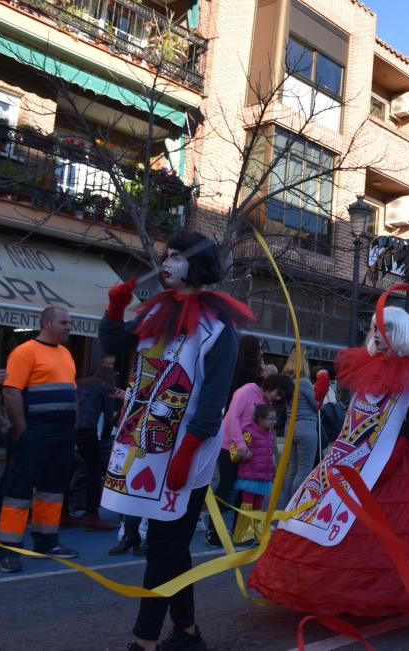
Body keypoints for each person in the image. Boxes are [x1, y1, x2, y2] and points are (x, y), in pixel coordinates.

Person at [248, 307, 409, 618]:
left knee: (393, 531)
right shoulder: (367, 370)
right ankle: (333, 590)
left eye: (385, 329)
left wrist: (393, 455)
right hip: (352, 457)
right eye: (375, 328)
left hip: (398, 463)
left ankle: (389, 595)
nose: (378, 335)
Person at [99, 232, 252, 651]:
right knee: (169, 547)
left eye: (178, 257)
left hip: (187, 455)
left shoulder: (217, 329)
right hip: (143, 445)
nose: (167, 262)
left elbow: (213, 400)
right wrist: (114, 309)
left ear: (197, 266)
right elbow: (114, 346)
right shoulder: (156, 314)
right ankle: (186, 632)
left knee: (164, 545)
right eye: (166, 256)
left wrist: (187, 451)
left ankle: (144, 640)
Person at [0, 306, 79, 573]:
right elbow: (11, 393)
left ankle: (46, 542)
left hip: (62, 434)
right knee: (18, 492)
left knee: (53, 490)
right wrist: (22, 432)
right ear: (46, 323)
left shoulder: (66, 353)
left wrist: (73, 427)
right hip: (36, 431)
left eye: (70, 322)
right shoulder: (24, 352)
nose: (69, 327)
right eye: (64, 322)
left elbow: (71, 392)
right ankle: (8, 548)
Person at [206, 374, 292, 547]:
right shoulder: (246, 391)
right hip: (228, 447)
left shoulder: (266, 402)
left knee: (243, 491)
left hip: (248, 453)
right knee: (226, 486)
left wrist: (272, 456)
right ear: (271, 385)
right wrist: (240, 444)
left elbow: (267, 431)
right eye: (278, 393)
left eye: (281, 396)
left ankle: (241, 531)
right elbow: (233, 418)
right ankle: (213, 531)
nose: (278, 398)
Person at [73, 365, 119, 530]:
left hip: (70, 428)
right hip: (87, 430)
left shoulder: (81, 382)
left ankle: (63, 512)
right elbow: (108, 417)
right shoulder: (104, 388)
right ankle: (92, 515)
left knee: (69, 469)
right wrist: (107, 437)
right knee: (95, 471)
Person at [231, 404, 279, 546]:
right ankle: (243, 535)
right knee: (247, 504)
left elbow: (269, 453)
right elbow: (235, 451)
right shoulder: (249, 432)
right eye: (271, 418)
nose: (274, 421)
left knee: (258, 506)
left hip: (264, 477)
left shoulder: (270, 434)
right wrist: (244, 453)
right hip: (249, 476)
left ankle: (258, 534)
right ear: (260, 419)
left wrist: (273, 465)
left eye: (275, 418)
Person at [278, 346, 320, 505]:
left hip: (290, 426)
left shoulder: (287, 382)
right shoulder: (304, 382)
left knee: (292, 468)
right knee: (304, 469)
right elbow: (316, 404)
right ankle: (295, 506)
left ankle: (287, 505)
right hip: (306, 426)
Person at [227, 335, 265, 406]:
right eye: (259, 349)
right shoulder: (247, 373)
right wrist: (262, 375)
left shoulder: (236, 367)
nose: (261, 352)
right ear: (251, 351)